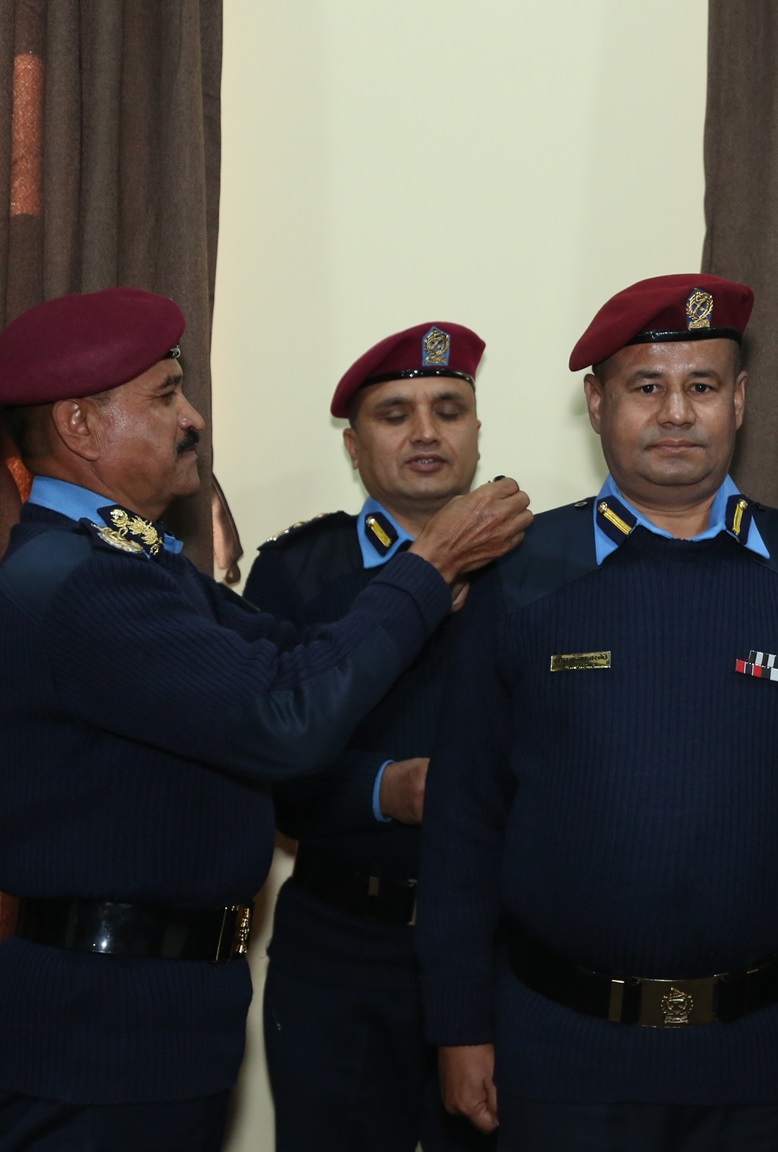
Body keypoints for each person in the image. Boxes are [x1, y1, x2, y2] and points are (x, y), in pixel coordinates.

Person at [0, 288, 531, 1152]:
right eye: (166, 396)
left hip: (155, 1015)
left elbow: (290, 659)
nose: (192, 418)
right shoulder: (83, 581)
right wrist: (430, 565)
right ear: (79, 425)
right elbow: (285, 718)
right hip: (101, 1033)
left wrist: (423, 581)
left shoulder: (137, 564)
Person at [416, 274, 778, 1151]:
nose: (677, 413)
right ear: (598, 404)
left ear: (739, 401)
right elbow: (463, 819)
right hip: (561, 1051)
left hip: (770, 1051)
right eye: (647, 386)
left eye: (701, 386)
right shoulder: (520, 576)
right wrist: (458, 1023)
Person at [244, 321, 494, 1152]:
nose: (426, 432)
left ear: (477, 432)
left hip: (501, 949)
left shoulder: (540, 568)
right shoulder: (296, 572)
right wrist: (390, 790)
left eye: (448, 410)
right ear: (354, 448)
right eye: (395, 414)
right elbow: (263, 764)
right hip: (340, 948)